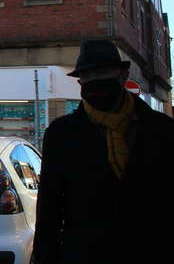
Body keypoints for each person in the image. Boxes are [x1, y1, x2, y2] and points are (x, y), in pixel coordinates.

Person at [33, 40, 174, 264]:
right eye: (87, 76)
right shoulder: (61, 134)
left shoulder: (161, 129)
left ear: (122, 75)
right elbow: (49, 208)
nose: (95, 81)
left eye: (103, 72)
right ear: (80, 82)